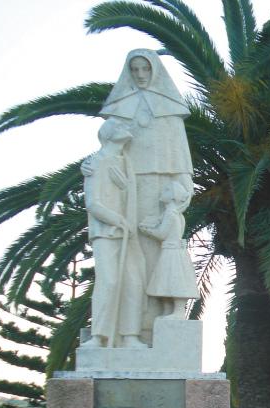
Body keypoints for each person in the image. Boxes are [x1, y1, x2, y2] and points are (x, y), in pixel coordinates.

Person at [100, 49, 194, 340]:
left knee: (156, 258)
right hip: (129, 190)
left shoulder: (169, 111)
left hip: (161, 191)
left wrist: (182, 187)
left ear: (155, 71)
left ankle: (151, 325)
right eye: (135, 69)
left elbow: (180, 157)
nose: (140, 75)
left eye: (145, 69)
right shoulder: (120, 110)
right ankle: (127, 330)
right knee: (131, 256)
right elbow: (106, 148)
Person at [82, 119, 147, 348]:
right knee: (108, 282)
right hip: (107, 232)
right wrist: (118, 220)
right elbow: (93, 203)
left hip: (127, 233)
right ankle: (99, 337)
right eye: (121, 127)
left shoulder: (126, 162)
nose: (127, 129)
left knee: (134, 282)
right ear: (110, 135)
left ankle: (130, 336)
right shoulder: (97, 163)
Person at [141, 182, 199, 318]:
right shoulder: (174, 213)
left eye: (166, 190)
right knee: (165, 282)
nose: (162, 193)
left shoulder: (171, 214)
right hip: (170, 250)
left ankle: (178, 311)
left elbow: (162, 234)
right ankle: (168, 310)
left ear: (173, 197)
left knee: (174, 282)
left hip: (172, 252)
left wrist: (147, 231)